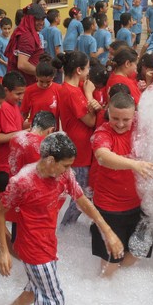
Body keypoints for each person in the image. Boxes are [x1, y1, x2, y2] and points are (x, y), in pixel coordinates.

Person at [0, 132, 124, 305]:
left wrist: (108, 231)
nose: (68, 171)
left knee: (35, 290)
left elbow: (82, 201)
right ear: (51, 160)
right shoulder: (23, 182)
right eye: (66, 165)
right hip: (33, 249)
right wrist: (3, 251)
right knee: (55, 304)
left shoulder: (63, 175)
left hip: (49, 243)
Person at [90, 92, 153, 277]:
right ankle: (105, 290)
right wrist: (134, 164)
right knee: (111, 263)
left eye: (125, 119)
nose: (120, 124)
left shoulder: (139, 126)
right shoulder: (103, 133)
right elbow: (103, 156)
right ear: (108, 113)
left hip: (138, 206)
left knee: (139, 250)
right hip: (109, 209)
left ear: (134, 115)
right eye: (115, 118)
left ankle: (121, 283)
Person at [54, 51, 102, 225]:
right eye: (87, 68)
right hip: (80, 150)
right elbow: (90, 121)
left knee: (80, 194)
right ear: (78, 70)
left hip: (77, 144)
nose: (89, 71)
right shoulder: (73, 92)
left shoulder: (69, 87)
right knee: (79, 198)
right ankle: (66, 229)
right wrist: (89, 95)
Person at [0, 71, 26, 175]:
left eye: (23, 93)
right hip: (3, 163)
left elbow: (19, 125)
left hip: (10, 161)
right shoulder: (4, 107)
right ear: (6, 90)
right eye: (18, 94)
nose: (21, 97)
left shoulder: (13, 104)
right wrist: (26, 132)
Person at [5, 3, 46, 86]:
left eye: (43, 19)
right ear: (29, 19)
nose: (41, 22)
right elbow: (22, 64)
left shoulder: (24, 31)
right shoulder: (27, 37)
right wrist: (43, 74)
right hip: (25, 84)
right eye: (38, 19)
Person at [9, 110, 56, 176]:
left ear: (31, 126)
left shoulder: (16, 139)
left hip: (13, 182)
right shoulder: (43, 146)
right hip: (31, 184)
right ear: (51, 130)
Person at [20, 61, 61, 129]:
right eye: (41, 81)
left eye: (48, 82)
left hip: (52, 131)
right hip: (35, 129)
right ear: (36, 77)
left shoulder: (59, 89)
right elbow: (24, 113)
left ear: (53, 78)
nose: (44, 85)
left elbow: (63, 113)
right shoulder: (29, 91)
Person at [0, 17, 12, 84]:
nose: (7, 31)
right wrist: (5, 63)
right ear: (1, 28)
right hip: (1, 71)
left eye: (9, 29)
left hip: (9, 69)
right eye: (5, 29)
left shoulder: (11, 38)